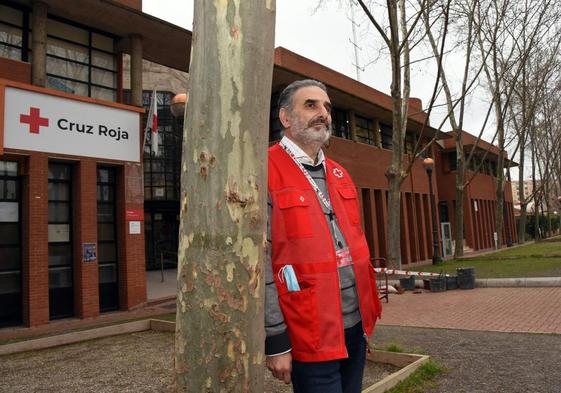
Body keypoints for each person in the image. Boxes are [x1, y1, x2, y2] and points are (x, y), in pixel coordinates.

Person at [265, 79, 382, 393]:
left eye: (327, 107)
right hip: (309, 332)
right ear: (286, 118)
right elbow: (261, 264)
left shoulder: (340, 173)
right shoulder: (264, 170)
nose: (323, 113)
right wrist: (276, 341)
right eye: (311, 105)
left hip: (354, 328)